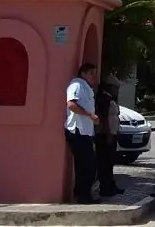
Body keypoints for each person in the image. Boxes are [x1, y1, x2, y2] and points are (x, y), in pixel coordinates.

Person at [65, 63, 100, 204]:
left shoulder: (87, 88)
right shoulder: (77, 85)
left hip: (85, 132)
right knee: (86, 165)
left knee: (88, 165)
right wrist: (90, 115)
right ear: (83, 73)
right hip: (77, 131)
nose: (94, 76)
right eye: (91, 73)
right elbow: (71, 104)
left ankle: (83, 194)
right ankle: (83, 196)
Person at [94, 77, 125, 197]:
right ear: (109, 87)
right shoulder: (104, 99)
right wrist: (108, 135)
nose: (117, 90)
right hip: (105, 135)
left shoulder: (111, 99)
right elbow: (104, 118)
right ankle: (105, 187)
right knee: (105, 162)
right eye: (116, 88)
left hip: (112, 133)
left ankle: (111, 185)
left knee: (110, 161)